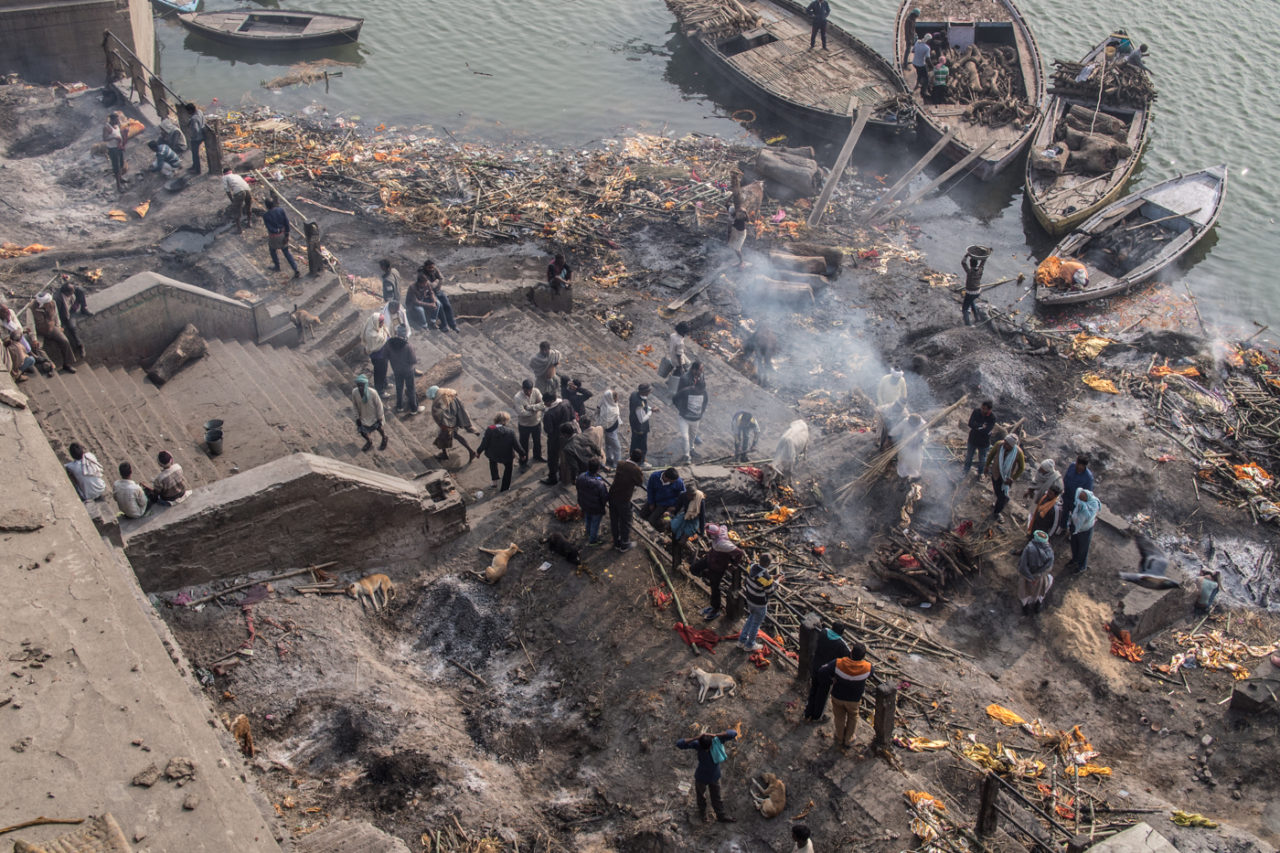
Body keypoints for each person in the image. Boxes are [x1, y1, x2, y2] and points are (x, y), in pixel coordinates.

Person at [675, 729, 738, 824]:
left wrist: (715, 734)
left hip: (711, 776)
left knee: (716, 797)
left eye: (708, 748)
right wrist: (696, 738)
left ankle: (720, 815)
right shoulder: (699, 744)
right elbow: (679, 744)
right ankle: (703, 815)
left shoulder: (715, 741)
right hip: (703, 777)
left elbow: (733, 733)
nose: (707, 750)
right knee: (701, 797)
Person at [819, 642, 872, 750]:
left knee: (839, 717)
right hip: (854, 699)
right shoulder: (867, 667)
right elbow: (871, 674)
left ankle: (839, 737)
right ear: (864, 656)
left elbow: (822, 671)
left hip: (837, 696)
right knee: (853, 717)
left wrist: (831, 679)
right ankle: (848, 740)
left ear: (851, 653)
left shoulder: (838, 663)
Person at [804, 621, 850, 722]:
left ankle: (808, 712)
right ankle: (817, 716)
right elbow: (848, 657)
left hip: (815, 666)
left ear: (832, 628)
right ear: (842, 633)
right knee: (822, 695)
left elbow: (823, 629)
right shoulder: (842, 645)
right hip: (827, 673)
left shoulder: (823, 632)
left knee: (813, 689)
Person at [701, 524, 745, 622]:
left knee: (715, 587)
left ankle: (716, 609)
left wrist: (734, 565)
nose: (706, 535)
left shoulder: (722, 544)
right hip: (712, 561)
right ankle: (714, 606)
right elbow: (724, 526)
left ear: (712, 535)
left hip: (719, 567)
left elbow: (740, 553)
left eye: (708, 534)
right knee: (700, 572)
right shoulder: (719, 534)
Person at [740, 554, 780, 652]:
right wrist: (777, 581)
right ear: (768, 564)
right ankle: (750, 644)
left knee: (750, 618)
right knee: (756, 624)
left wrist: (772, 578)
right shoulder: (766, 579)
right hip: (759, 603)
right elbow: (770, 592)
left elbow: (759, 577)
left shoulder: (751, 567)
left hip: (749, 599)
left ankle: (741, 640)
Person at [427, 386, 478, 462]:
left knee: (444, 436)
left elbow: (439, 415)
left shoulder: (438, 402)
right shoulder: (448, 392)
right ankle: (445, 454)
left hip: (449, 421)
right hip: (456, 416)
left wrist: (444, 425)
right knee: (452, 435)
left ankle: (471, 451)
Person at [609, 448, 646, 551]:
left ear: (630, 455)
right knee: (626, 521)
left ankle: (616, 542)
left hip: (612, 495)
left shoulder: (620, 463)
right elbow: (639, 483)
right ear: (640, 460)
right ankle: (624, 544)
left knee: (614, 520)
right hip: (623, 499)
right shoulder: (636, 469)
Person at [478, 411, 523, 493]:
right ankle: (505, 487)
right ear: (505, 421)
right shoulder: (510, 432)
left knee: (492, 463)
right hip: (507, 456)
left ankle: (494, 482)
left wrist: (478, 452)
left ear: (495, 420)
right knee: (508, 469)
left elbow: (484, 442)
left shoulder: (490, 429)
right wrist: (522, 454)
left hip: (493, 454)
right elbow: (517, 445)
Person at [673, 363, 708, 464]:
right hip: (685, 415)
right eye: (700, 370)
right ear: (694, 369)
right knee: (685, 437)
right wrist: (682, 408)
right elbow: (676, 397)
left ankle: (691, 449)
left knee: (692, 436)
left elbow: (705, 402)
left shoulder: (702, 386)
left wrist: (700, 412)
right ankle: (686, 456)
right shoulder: (684, 380)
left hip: (696, 418)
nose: (701, 372)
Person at [984, 433, 1025, 518]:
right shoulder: (999, 444)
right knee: (997, 491)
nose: (1004, 445)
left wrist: (1012, 478)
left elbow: (1021, 468)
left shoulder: (1018, 453)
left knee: (1002, 496)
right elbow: (991, 455)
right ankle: (999, 502)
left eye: (1007, 444)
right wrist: (987, 466)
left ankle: (997, 512)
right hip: (995, 473)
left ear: (1012, 446)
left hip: (1006, 478)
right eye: (1004, 442)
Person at [33, 292, 75, 373]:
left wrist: (58, 326)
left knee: (64, 341)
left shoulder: (53, 303)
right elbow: (30, 325)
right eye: (47, 303)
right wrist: (34, 338)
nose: (49, 304)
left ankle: (67, 364)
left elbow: (56, 316)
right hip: (39, 331)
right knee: (38, 347)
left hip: (51, 328)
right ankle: (50, 365)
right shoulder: (31, 308)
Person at [541, 392, 577, 485]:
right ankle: (564, 476)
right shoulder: (566, 402)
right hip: (568, 435)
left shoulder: (549, 414)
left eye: (546, 402)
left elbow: (548, 430)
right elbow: (573, 416)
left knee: (553, 458)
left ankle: (552, 477)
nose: (545, 404)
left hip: (555, 438)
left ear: (551, 401)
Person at [1017, 530, 1054, 615]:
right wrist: (1038, 577)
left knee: (1024, 593)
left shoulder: (1029, 548)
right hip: (1040, 579)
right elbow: (1048, 568)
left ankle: (1025, 608)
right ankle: (1038, 604)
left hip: (1027, 578)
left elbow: (1022, 566)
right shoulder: (1049, 551)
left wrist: (1031, 578)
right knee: (1045, 586)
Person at [384, 325, 419, 415]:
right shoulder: (408, 346)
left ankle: (399, 406)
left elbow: (386, 356)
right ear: (405, 334)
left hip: (396, 371)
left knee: (399, 388)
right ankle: (414, 409)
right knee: (411, 389)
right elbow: (413, 360)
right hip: (408, 371)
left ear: (397, 333)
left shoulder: (389, 344)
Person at [262, 197, 300, 278]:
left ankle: (277, 266)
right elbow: (286, 222)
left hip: (274, 237)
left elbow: (269, 228)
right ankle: (295, 269)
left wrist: (276, 231)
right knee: (286, 252)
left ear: (266, 206)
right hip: (283, 234)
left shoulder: (266, 215)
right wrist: (287, 234)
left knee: (272, 250)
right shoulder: (280, 210)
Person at [575, 459, 610, 546]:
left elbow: (577, 488)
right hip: (596, 508)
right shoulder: (600, 484)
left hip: (584, 504)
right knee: (595, 523)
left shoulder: (581, 477)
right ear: (598, 469)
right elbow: (604, 498)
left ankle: (587, 532)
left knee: (588, 518)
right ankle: (593, 540)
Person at [1066, 488, 1100, 573]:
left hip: (1085, 530)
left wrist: (1083, 506)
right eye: (1079, 498)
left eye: (1082, 499)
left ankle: (1082, 566)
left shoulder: (1093, 504)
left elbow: (1088, 517)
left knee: (1083, 548)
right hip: (1075, 526)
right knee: (1074, 544)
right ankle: (1075, 559)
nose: (1079, 500)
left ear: (1087, 498)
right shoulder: (1079, 496)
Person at [419, 260, 459, 332]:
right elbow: (431, 285)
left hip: (438, 291)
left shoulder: (435, 269)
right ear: (425, 267)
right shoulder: (422, 274)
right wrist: (437, 281)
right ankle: (444, 325)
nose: (431, 269)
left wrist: (437, 284)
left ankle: (453, 325)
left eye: (432, 267)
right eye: (429, 268)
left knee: (447, 305)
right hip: (428, 294)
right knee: (439, 306)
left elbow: (442, 278)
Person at [513, 380, 546, 467]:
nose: (528, 392)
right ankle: (523, 462)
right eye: (526, 390)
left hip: (536, 422)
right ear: (523, 388)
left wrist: (530, 407)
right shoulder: (517, 397)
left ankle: (537, 456)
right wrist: (534, 411)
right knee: (523, 444)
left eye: (530, 390)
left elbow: (543, 404)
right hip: (524, 425)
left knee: (537, 442)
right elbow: (521, 412)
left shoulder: (536, 391)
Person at [351, 374, 387, 452]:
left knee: (379, 428)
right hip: (363, 416)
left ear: (366, 385)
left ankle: (384, 438)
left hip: (374, 415)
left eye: (362, 385)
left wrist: (380, 417)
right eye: (358, 385)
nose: (360, 387)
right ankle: (369, 441)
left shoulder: (373, 392)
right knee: (362, 431)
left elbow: (379, 405)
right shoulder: (354, 392)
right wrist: (357, 417)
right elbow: (354, 406)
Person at [361, 309, 391, 398]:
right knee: (379, 373)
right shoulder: (371, 334)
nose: (383, 324)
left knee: (384, 370)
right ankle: (380, 390)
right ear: (376, 322)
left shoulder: (376, 326)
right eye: (381, 322)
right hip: (378, 357)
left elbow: (384, 334)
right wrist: (387, 339)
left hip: (383, 354)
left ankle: (385, 383)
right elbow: (377, 345)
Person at [963, 401, 995, 476]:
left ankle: (980, 473)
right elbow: (970, 423)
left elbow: (987, 430)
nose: (982, 410)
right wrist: (980, 426)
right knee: (968, 457)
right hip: (973, 439)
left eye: (984, 409)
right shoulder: (976, 412)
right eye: (982, 408)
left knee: (982, 460)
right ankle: (965, 471)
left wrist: (976, 427)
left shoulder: (992, 418)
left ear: (989, 410)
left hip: (983, 442)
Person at [892, 413, 927, 479]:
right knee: (903, 460)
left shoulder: (923, 425)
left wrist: (922, 441)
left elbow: (926, 435)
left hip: (916, 447)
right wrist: (890, 434)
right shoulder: (905, 421)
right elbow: (897, 429)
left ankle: (913, 476)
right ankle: (902, 475)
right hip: (905, 445)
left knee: (915, 462)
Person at [1061, 455, 1094, 520]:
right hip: (1066, 497)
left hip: (1076, 503)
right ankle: (1062, 527)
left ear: (1084, 466)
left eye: (1080, 465)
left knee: (1075, 521)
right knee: (1062, 516)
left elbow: (1087, 494)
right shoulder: (1072, 467)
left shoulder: (1088, 478)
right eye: (1077, 464)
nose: (1078, 466)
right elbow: (1065, 479)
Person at [628, 383, 654, 463]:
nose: (650, 392)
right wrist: (651, 412)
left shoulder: (634, 394)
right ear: (644, 392)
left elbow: (643, 408)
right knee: (641, 445)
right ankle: (640, 461)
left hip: (633, 422)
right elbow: (642, 419)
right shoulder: (639, 403)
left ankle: (632, 456)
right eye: (649, 391)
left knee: (634, 442)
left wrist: (649, 408)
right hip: (640, 427)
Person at [597, 389, 622, 470]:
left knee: (608, 445)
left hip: (611, 428)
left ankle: (609, 458)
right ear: (611, 398)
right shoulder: (611, 410)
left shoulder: (605, 401)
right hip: (610, 430)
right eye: (615, 397)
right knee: (617, 447)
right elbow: (607, 422)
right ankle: (616, 464)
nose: (617, 399)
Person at [103, 112, 127, 191]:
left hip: (118, 147)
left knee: (121, 164)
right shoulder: (107, 128)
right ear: (112, 120)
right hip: (113, 149)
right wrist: (114, 138)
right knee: (116, 167)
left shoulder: (116, 126)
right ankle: (118, 186)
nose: (118, 121)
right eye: (116, 120)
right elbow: (105, 139)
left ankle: (120, 178)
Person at [223, 167, 253, 232]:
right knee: (248, 206)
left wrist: (232, 200)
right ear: (231, 171)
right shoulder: (237, 175)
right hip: (248, 190)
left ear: (224, 173)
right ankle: (249, 223)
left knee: (236, 210)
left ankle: (239, 229)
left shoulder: (225, 177)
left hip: (239, 192)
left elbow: (227, 190)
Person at [666, 321, 691, 396]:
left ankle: (671, 380)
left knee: (688, 363)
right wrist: (681, 366)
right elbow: (679, 355)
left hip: (672, 353)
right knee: (679, 371)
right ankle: (672, 385)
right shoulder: (680, 342)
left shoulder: (673, 335)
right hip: (677, 359)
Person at [961, 252, 985, 326]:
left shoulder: (969, 272)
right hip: (977, 292)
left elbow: (963, 263)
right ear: (977, 264)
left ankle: (968, 325)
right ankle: (977, 318)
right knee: (971, 301)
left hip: (970, 292)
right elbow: (983, 262)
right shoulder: (980, 270)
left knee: (964, 309)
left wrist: (966, 255)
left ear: (970, 264)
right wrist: (985, 256)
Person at [183, 102, 206, 174]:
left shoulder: (193, 119)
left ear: (190, 111)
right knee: (195, 153)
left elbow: (195, 130)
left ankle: (197, 170)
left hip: (196, 138)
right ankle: (194, 166)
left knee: (195, 154)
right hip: (202, 134)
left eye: (188, 111)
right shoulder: (200, 111)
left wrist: (192, 136)